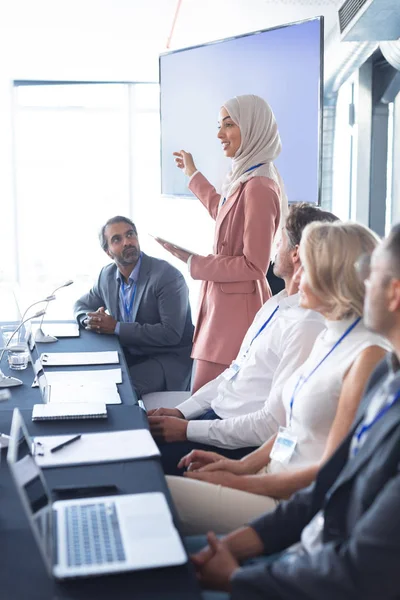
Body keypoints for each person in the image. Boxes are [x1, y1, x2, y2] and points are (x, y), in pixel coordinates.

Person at [188, 223, 400, 600]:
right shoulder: (386, 374)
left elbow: (356, 565)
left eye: (371, 272)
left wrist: (238, 578)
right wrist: (238, 474)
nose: (361, 283)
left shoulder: (371, 359)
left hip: (313, 554)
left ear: (393, 291)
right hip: (303, 535)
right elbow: (323, 474)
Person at [148, 204, 337, 475]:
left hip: (239, 443)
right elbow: (232, 374)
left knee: (144, 464)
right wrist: (182, 412)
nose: (274, 248)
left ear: (296, 254)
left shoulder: (307, 324)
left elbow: (273, 425)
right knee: (136, 437)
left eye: (279, 240)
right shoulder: (275, 303)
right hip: (214, 421)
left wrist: (188, 429)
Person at [157, 94, 287, 392]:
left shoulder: (259, 186)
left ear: (253, 127)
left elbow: (255, 265)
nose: (219, 134)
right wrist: (193, 175)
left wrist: (196, 263)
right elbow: (224, 211)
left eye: (228, 125)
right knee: (202, 404)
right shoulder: (247, 176)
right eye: (219, 125)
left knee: (206, 406)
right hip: (224, 308)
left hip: (234, 317)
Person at [73, 216, 193, 397]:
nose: (127, 242)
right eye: (117, 239)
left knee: (117, 391)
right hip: (129, 353)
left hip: (166, 359)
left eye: (130, 235)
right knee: (87, 377)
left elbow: (171, 334)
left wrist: (116, 327)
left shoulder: (166, 277)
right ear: (108, 251)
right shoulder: (107, 275)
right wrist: (92, 321)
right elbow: (81, 305)